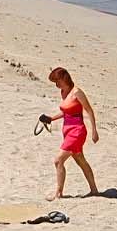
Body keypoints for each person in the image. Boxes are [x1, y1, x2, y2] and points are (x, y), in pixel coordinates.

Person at [39, 67, 98, 199]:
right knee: (81, 161)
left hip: (77, 131)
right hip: (67, 130)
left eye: (57, 81)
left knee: (58, 160)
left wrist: (94, 131)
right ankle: (94, 190)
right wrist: (50, 119)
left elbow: (89, 111)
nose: (56, 84)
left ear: (64, 78)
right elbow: (66, 112)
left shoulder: (77, 92)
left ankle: (58, 194)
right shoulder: (63, 92)